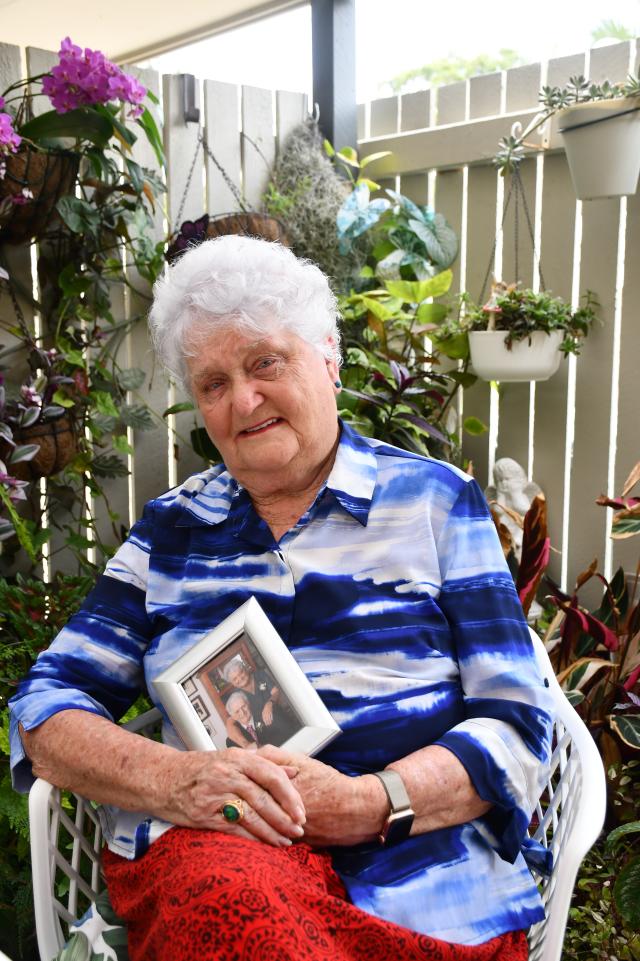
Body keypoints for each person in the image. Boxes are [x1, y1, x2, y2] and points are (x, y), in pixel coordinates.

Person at [9, 236, 553, 961]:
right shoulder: (172, 531)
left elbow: (518, 723)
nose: (243, 400)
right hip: (222, 859)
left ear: (329, 358)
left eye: (265, 362)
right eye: (212, 383)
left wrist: (370, 802)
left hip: (424, 879)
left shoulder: (434, 502)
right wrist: (182, 780)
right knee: (232, 909)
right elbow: (45, 709)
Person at [221, 655, 298, 748]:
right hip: (262, 730)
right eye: (234, 679)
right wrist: (246, 744)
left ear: (245, 669)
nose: (239, 678)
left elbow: (276, 692)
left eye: (240, 673)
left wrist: (269, 703)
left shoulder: (260, 675)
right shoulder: (238, 696)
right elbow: (230, 722)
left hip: (279, 718)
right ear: (232, 683)